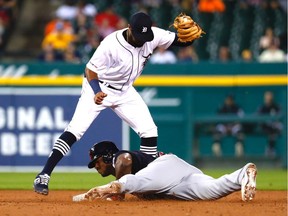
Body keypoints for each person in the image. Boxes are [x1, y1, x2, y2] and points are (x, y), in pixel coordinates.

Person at [33, 11, 200, 195]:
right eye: (138, 35)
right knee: (76, 130)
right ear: (129, 29)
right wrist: (96, 92)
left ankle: (145, 181)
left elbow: (183, 40)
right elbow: (90, 70)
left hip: (125, 90)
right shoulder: (111, 44)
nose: (142, 40)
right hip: (99, 87)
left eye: (145, 36)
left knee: (149, 130)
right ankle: (44, 175)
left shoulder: (152, 35)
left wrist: (193, 33)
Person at [72, 140, 257, 202]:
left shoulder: (119, 157)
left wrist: (118, 191)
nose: (96, 166)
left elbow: (125, 159)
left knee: (138, 181)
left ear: (106, 156)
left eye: (97, 162)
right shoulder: (119, 163)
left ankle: (113, 188)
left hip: (164, 167)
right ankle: (243, 173)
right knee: (213, 190)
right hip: (175, 182)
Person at [257, 91, 282, 156]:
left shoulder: (276, 107)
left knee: (279, 129)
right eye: (267, 97)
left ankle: (271, 149)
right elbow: (258, 119)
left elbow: (280, 118)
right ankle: (269, 149)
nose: (268, 99)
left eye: (270, 97)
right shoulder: (262, 107)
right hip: (265, 127)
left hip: (274, 127)